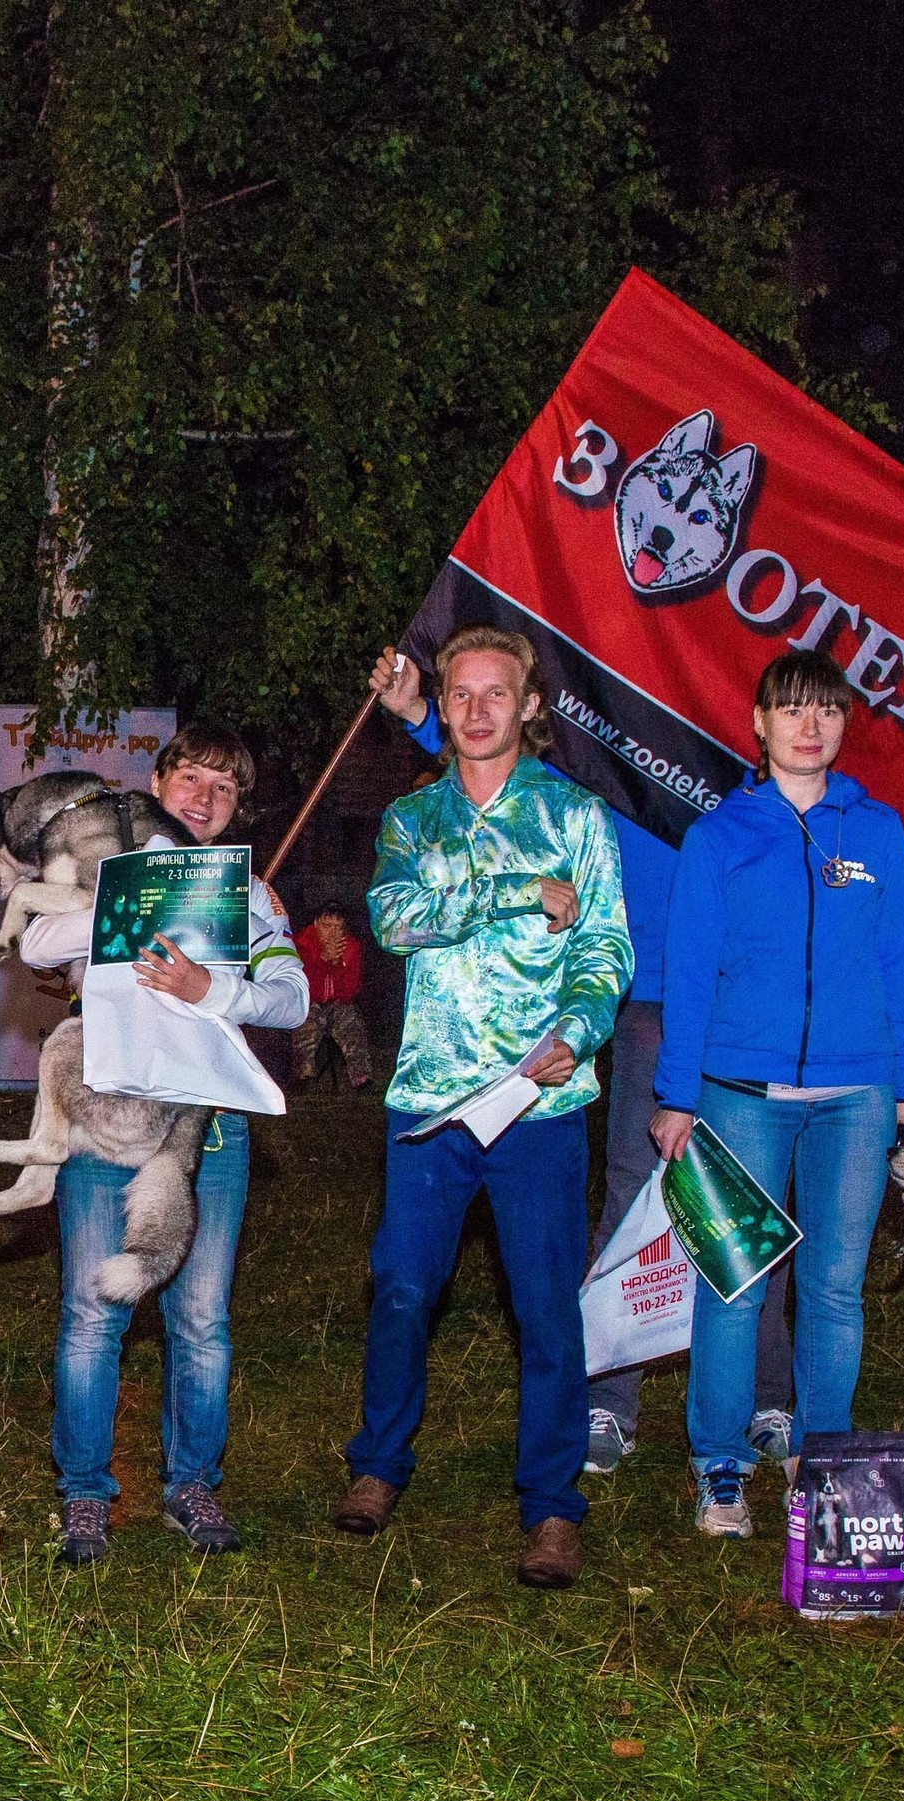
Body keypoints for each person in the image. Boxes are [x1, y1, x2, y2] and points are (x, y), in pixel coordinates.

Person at [370, 653, 797, 1475]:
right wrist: (423, 712)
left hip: (744, 1011)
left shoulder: (748, 787)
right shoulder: (596, 763)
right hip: (640, 1004)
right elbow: (484, 763)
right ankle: (609, 1400)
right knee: (632, 1193)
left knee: (749, 1201)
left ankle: (768, 1395)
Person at [333, 627, 632, 1590]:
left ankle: (551, 1506)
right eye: (459, 695)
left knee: (547, 1308)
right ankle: (378, 1466)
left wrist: (578, 1034)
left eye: (495, 694)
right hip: (431, 1098)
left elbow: (607, 954)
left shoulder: (578, 817)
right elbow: (393, 917)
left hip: (538, 1106)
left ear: (530, 708)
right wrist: (513, 890)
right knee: (404, 1288)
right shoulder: (412, 819)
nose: (474, 711)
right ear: (443, 705)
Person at [11, 727, 310, 1563]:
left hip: (208, 1129)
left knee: (202, 1319)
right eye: (191, 779)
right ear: (156, 781)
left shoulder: (249, 897)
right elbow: (36, 944)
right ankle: (83, 1496)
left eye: (224, 788)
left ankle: (191, 1487)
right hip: (108, 1122)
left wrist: (208, 986)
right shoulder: (103, 871)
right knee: (89, 1316)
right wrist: (130, 905)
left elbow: (291, 1000)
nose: (204, 798)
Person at [649, 649, 904, 1538]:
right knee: (734, 1285)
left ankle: (824, 1459)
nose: (812, 726)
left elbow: (896, 964)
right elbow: (686, 974)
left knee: (836, 1287)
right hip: (740, 1092)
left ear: (846, 725)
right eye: (793, 710)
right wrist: (675, 1092)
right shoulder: (719, 837)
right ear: (759, 724)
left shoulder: (878, 832)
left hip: (858, 1094)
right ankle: (720, 1467)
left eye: (829, 711)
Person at [291, 906, 373, 1090]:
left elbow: (350, 991)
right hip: (309, 1000)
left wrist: (338, 964)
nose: (332, 933)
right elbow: (303, 984)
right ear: (316, 924)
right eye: (327, 926)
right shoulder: (301, 943)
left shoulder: (351, 947)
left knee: (351, 1021)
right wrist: (323, 960)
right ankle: (303, 1077)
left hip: (337, 1003)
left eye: (338, 928)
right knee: (306, 1022)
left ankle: (361, 1077)